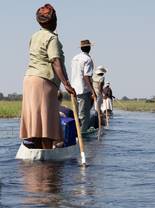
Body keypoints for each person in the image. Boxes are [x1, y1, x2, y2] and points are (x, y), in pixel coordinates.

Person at [20, 4, 76, 149]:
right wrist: (66, 84)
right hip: (44, 82)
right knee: (46, 123)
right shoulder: (52, 38)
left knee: (36, 122)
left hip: (29, 80)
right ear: (54, 21)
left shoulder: (34, 36)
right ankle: (47, 159)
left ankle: (36, 154)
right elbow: (55, 61)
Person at [70, 39, 97, 133]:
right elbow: (86, 77)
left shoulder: (74, 58)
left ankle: (75, 135)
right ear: (89, 48)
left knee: (76, 115)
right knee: (84, 117)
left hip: (73, 90)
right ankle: (82, 137)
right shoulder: (88, 59)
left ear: (81, 48)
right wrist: (93, 91)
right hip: (83, 90)